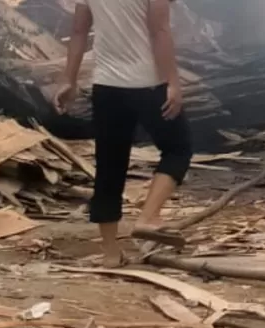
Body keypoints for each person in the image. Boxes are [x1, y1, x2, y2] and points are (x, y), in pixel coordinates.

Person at [55, 0, 193, 268]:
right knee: (178, 148)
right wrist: (173, 82)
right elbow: (159, 31)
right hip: (148, 83)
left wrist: (68, 79)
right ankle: (148, 217)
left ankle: (110, 254)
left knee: (109, 168)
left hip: (106, 86)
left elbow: (79, 32)